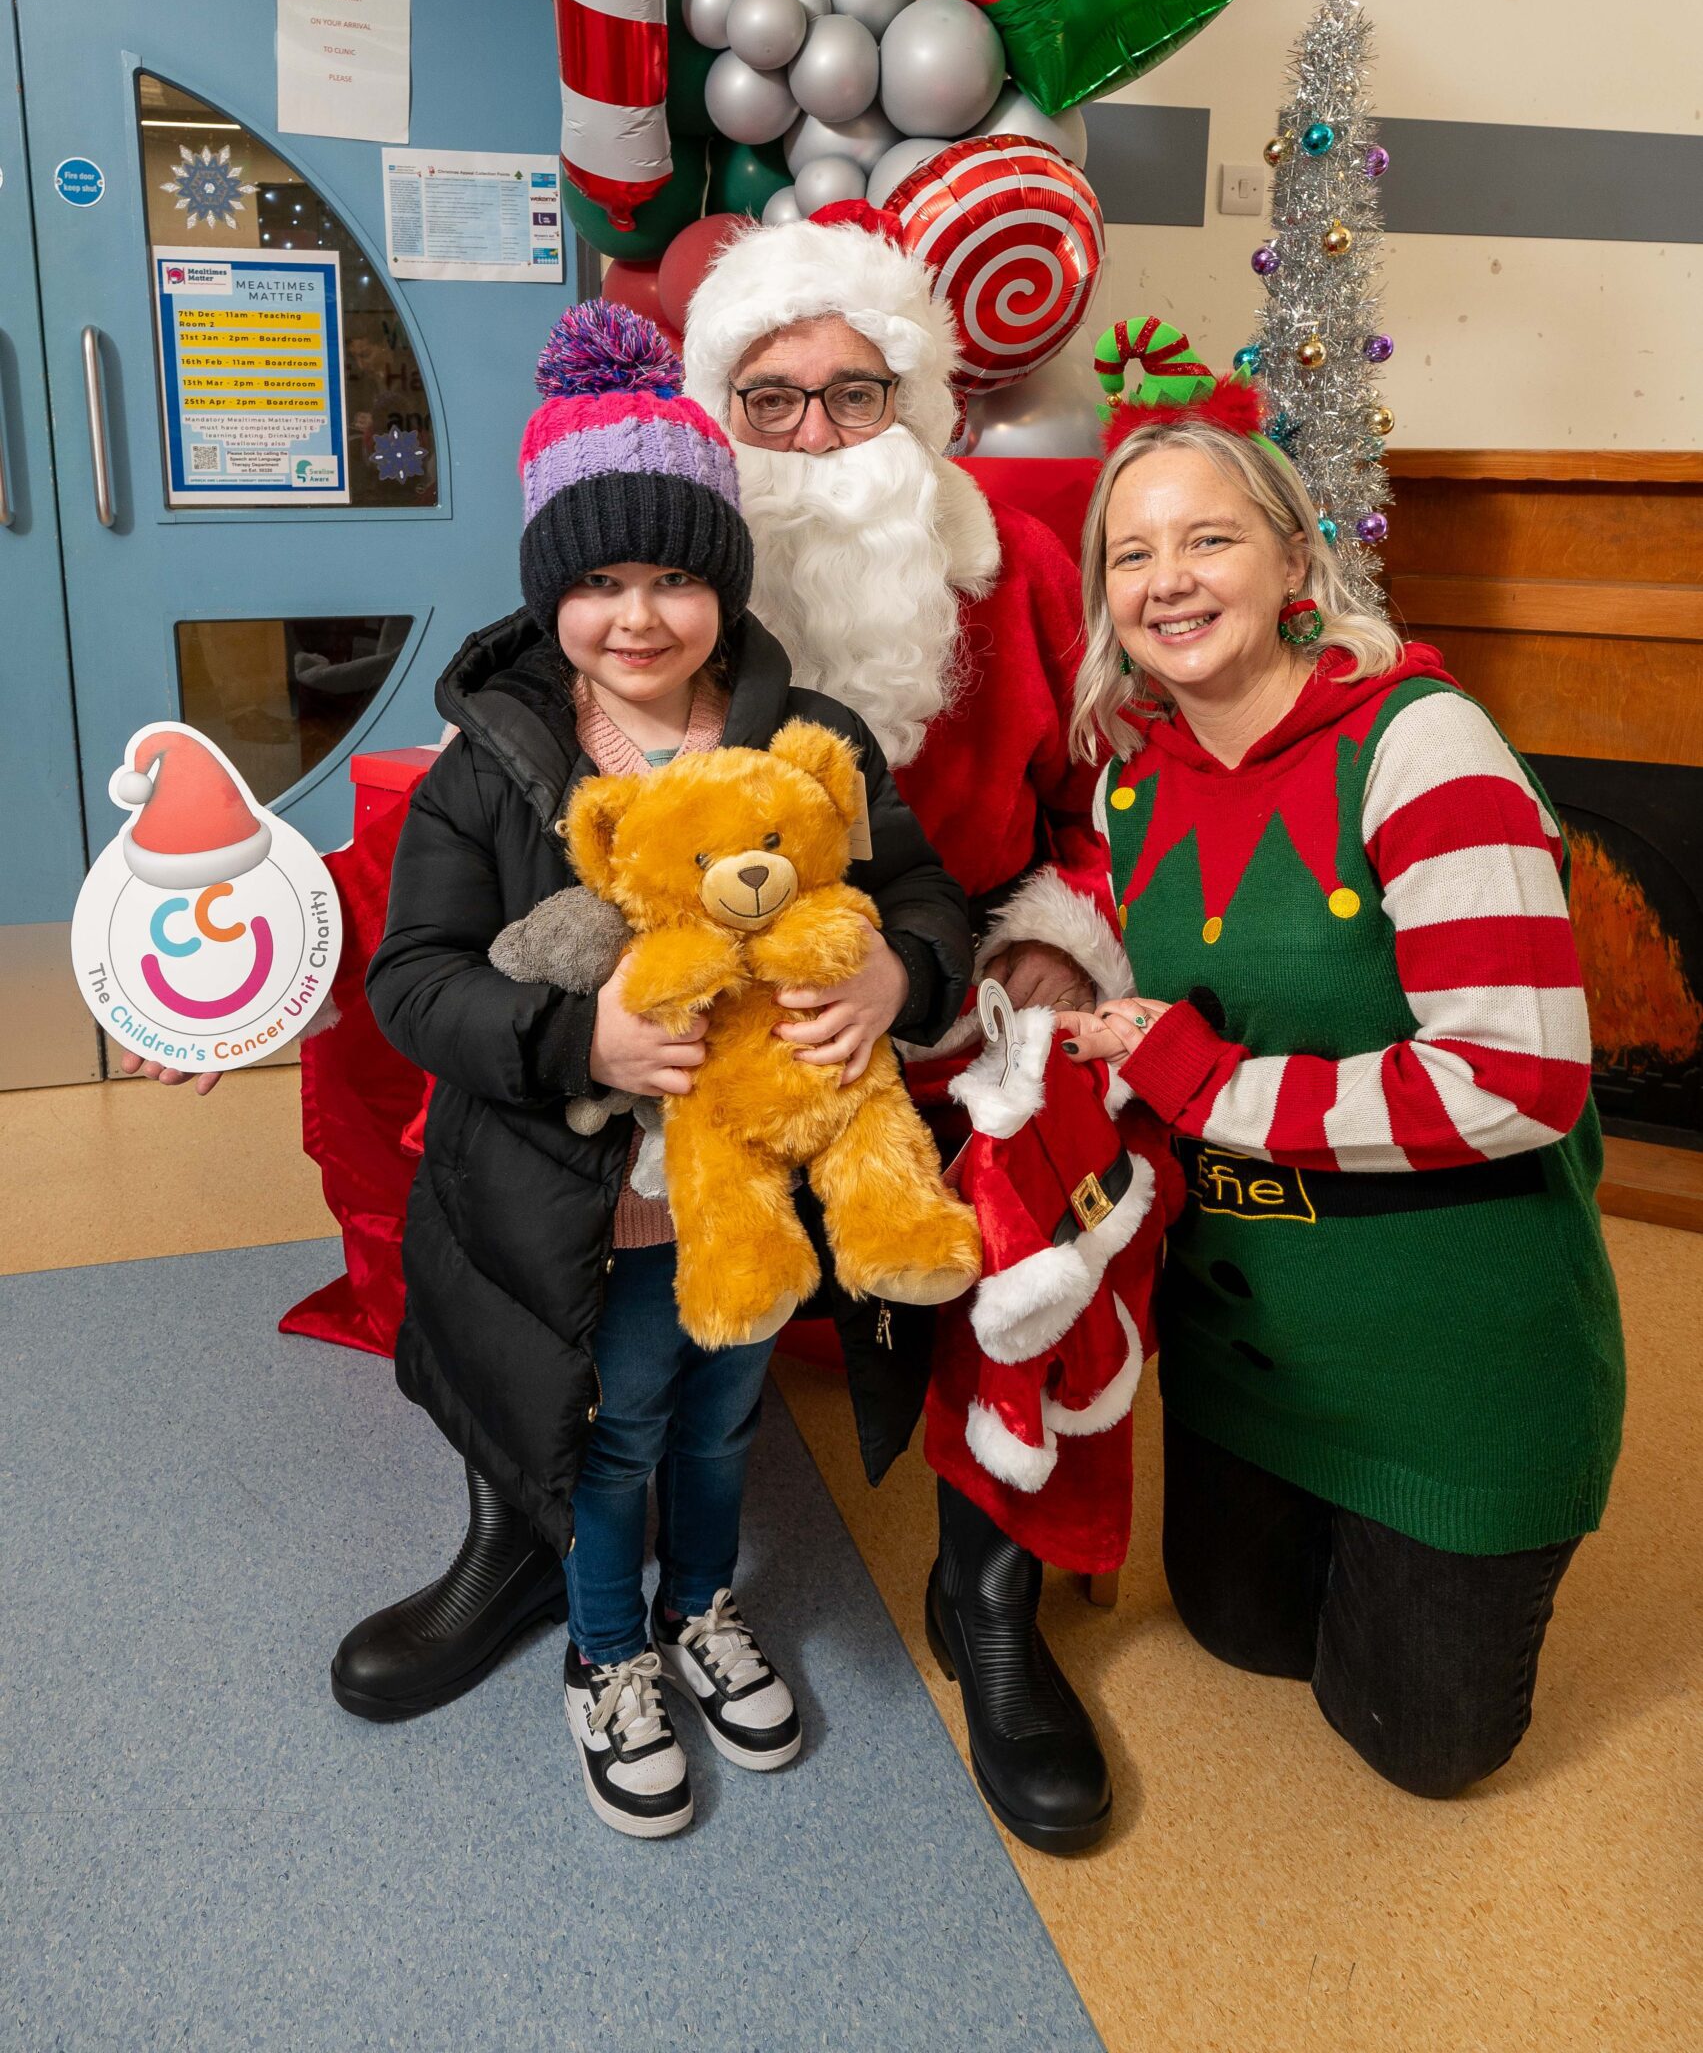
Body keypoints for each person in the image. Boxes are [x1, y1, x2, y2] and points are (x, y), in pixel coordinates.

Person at [332, 303, 971, 1838]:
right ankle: (605, 1651)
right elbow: (412, 983)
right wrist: (576, 1038)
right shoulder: (489, 769)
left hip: (756, 1190)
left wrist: (899, 971)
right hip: (579, 1209)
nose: (639, 614)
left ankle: (704, 1606)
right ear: (553, 590)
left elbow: (925, 897)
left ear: (724, 586)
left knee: (724, 1415)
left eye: (676, 574)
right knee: (615, 1427)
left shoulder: (809, 739)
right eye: (602, 580)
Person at [1056, 340, 1625, 1799]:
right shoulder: (1131, 774)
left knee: (1422, 1749)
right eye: (1132, 554)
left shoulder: (1422, 747)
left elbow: (1516, 1082)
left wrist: (1198, 1079)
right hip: (1249, 1353)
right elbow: (1140, 987)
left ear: (1295, 556)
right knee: (1238, 1633)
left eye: (1207, 539)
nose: (1168, 581)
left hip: (1452, 1362)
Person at [683, 202, 1133, 1854]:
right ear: (722, 418)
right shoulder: (672, 582)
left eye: (853, 393)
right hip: (733, 1011)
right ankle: (571, 1555)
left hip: (968, 989)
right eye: (771, 399)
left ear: (917, 402)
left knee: (1041, 1177)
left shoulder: (1006, 562)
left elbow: (1109, 810)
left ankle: (990, 1591)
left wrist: (1060, 949)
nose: (815, 435)